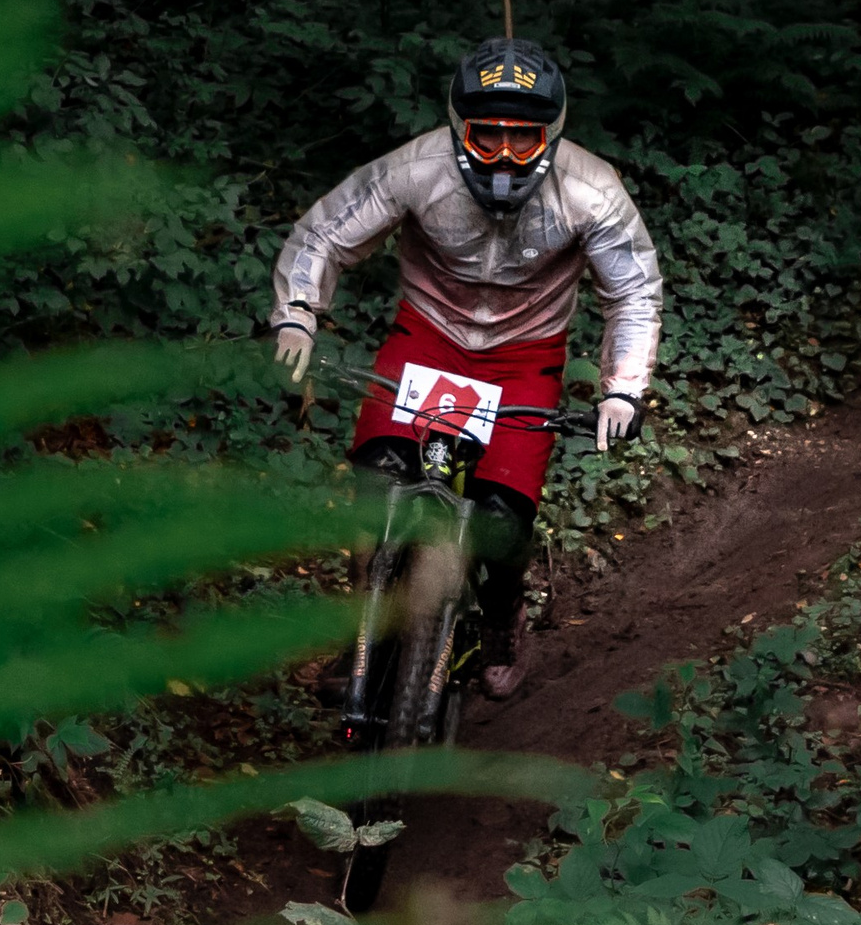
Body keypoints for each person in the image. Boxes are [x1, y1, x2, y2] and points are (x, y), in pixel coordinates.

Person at [270, 36, 663, 699]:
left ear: (553, 134)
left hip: (525, 356)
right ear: (457, 131)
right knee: (375, 486)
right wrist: (297, 313)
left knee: (503, 517)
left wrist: (623, 391)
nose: (505, 158)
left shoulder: (591, 188)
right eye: (487, 139)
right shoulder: (417, 167)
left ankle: (504, 617)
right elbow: (326, 233)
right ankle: (362, 632)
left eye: (523, 140)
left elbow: (633, 291)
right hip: (426, 338)